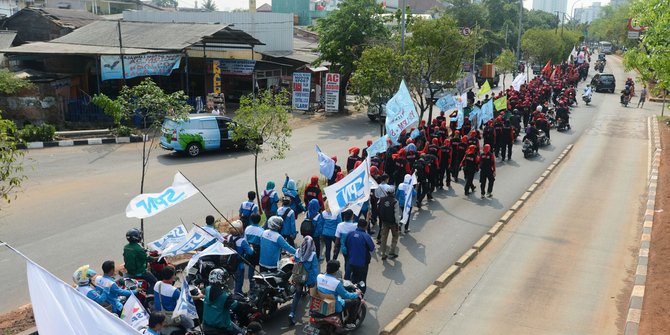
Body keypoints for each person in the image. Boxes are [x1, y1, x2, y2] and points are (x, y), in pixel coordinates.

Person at [315, 260, 361, 328]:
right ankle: (349, 323)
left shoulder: (319, 276)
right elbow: (346, 295)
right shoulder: (336, 283)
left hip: (319, 302)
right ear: (336, 271)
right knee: (355, 301)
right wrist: (357, 294)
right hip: (333, 306)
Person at [202, 269, 246, 335]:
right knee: (241, 333)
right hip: (220, 329)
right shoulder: (224, 297)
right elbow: (235, 306)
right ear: (220, 279)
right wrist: (245, 305)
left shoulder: (207, 289)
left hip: (206, 327)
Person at [288, 236, 319, 326]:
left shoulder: (298, 252)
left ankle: (292, 313)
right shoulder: (312, 254)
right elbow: (314, 269)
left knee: (297, 295)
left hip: (299, 277)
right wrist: (314, 281)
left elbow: (295, 261)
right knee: (312, 296)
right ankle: (312, 315)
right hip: (309, 278)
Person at [123, 228, 158, 294]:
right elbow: (148, 258)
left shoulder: (126, 247)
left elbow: (135, 254)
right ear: (136, 238)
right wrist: (156, 258)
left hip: (130, 271)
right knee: (154, 282)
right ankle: (150, 296)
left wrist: (144, 250)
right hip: (139, 272)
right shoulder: (138, 249)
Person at [345, 219, 375, 293]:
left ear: (357, 225)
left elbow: (346, 244)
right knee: (362, 281)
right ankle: (361, 296)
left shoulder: (350, 234)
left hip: (351, 261)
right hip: (362, 264)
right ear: (365, 227)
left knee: (353, 278)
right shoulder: (366, 236)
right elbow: (372, 248)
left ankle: (351, 293)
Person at [227, 220, 254, 294]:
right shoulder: (242, 241)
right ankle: (238, 293)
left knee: (235, 278)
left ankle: (237, 292)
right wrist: (251, 247)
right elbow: (250, 252)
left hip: (231, 262)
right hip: (239, 263)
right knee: (239, 280)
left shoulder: (229, 237)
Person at [378, 185, 400, 260]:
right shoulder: (395, 201)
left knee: (384, 237)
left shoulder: (381, 199)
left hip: (384, 222)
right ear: (393, 193)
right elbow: (396, 215)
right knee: (395, 236)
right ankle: (391, 252)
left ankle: (383, 254)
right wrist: (398, 223)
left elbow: (379, 209)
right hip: (393, 223)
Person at [334, 209, 358, 279]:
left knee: (346, 261)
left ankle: (347, 274)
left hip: (344, 248)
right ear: (352, 216)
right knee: (351, 262)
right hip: (354, 248)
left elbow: (337, 239)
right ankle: (348, 276)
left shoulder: (340, 225)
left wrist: (335, 248)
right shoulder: (356, 225)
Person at [244, 213, 263, 291]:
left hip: (249, 251)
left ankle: (251, 285)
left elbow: (245, 240)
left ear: (251, 220)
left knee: (251, 269)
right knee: (261, 268)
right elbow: (262, 243)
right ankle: (261, 284)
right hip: (259, 252)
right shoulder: (261, 230)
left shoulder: (247, 228)